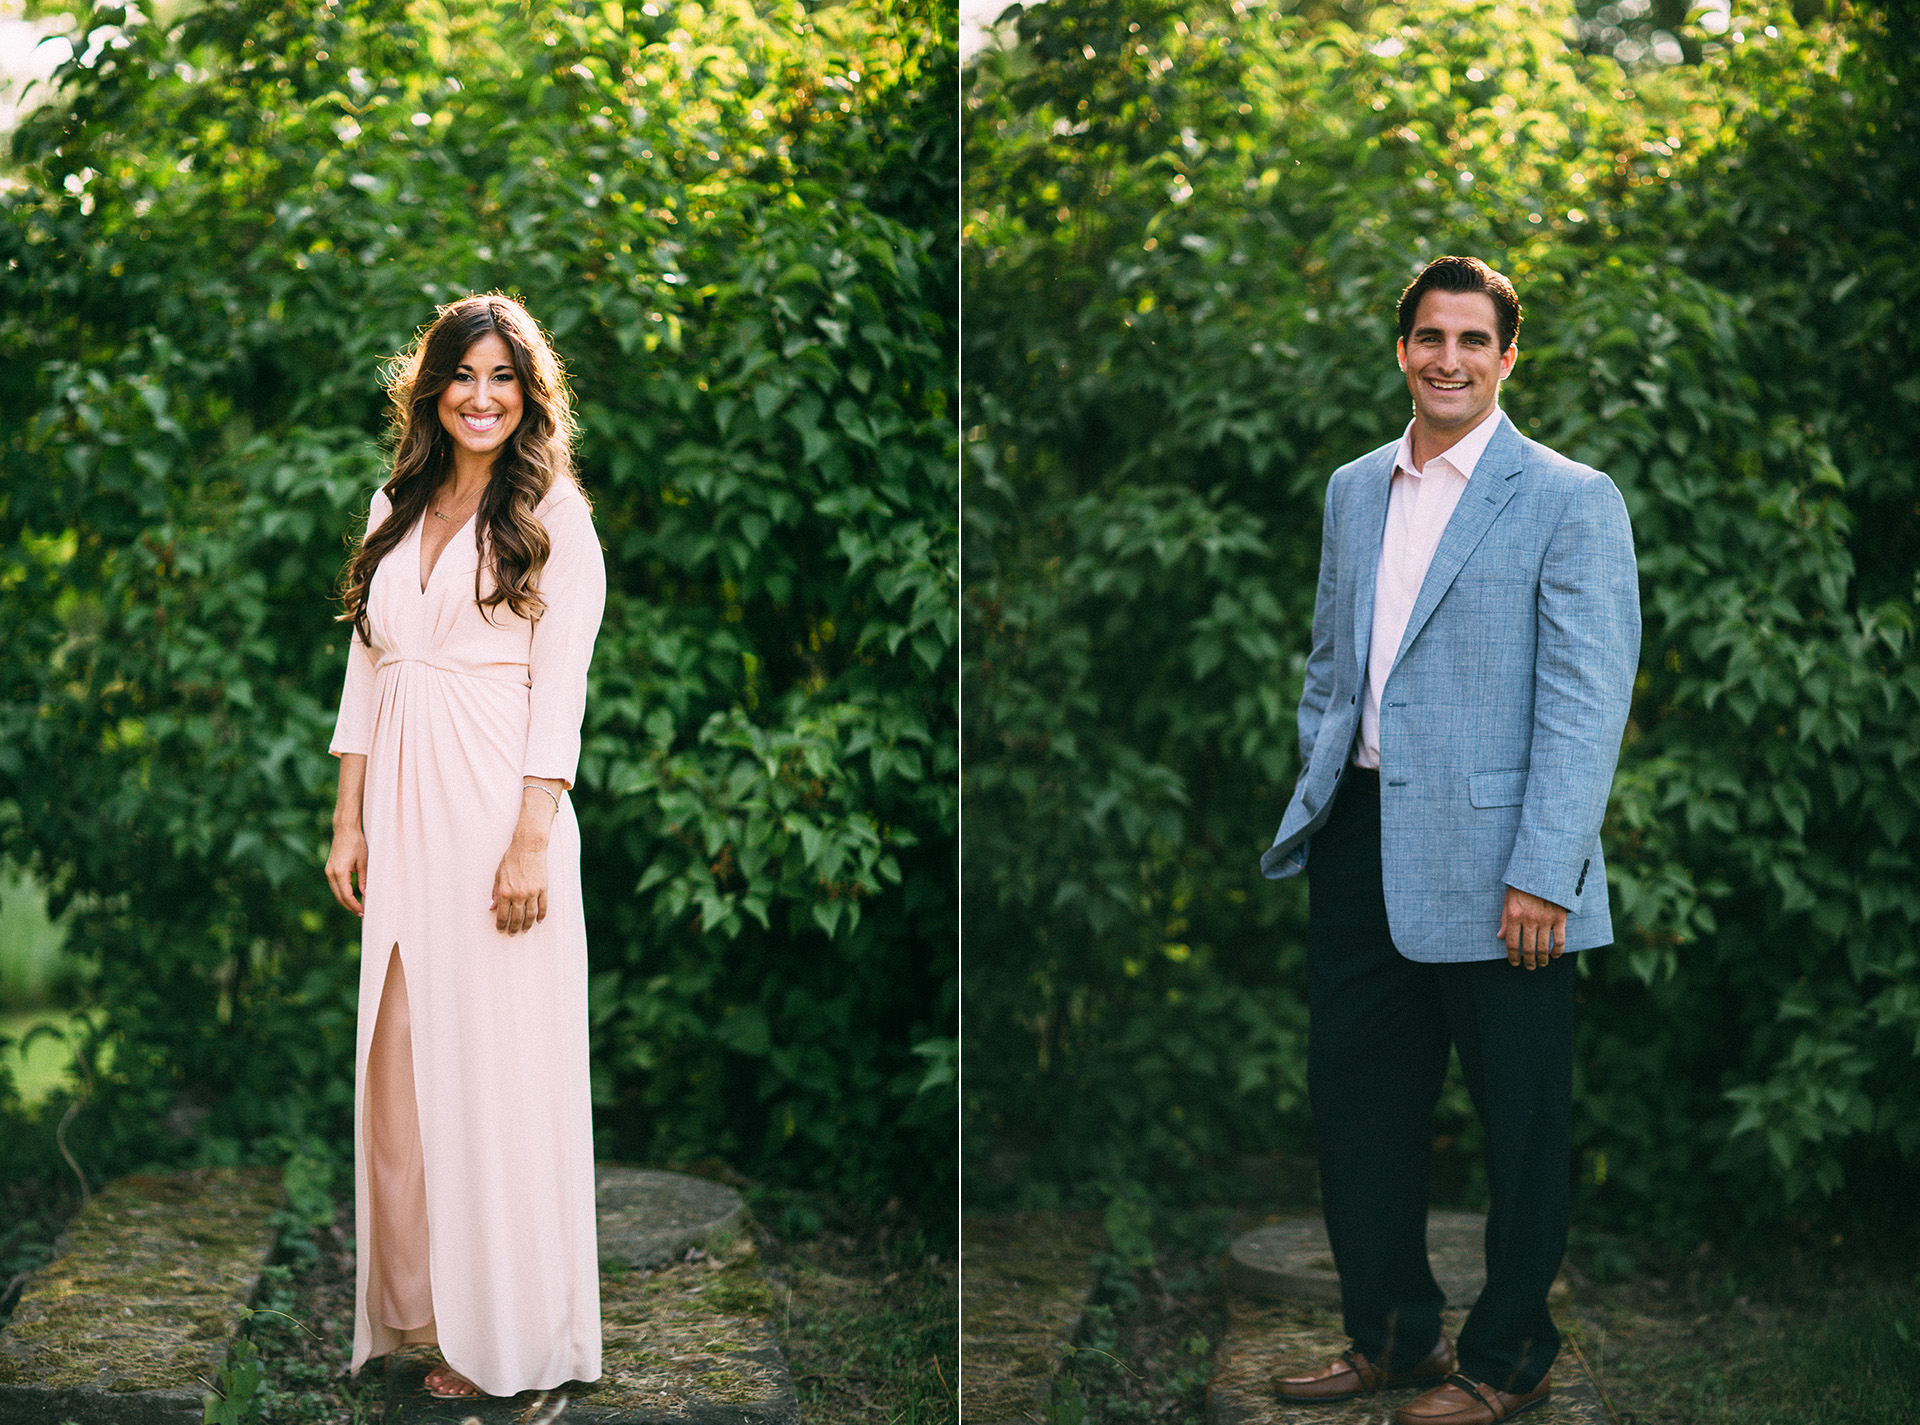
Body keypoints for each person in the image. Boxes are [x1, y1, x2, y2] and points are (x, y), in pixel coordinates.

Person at [1259, 256, 1640, 1425]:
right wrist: (1320, 791)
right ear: (1401, 348)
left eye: (1475, 341)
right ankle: (1391, 1335)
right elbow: (1336, 665)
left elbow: (1587, 695)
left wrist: (1547, 869)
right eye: (1431, 337)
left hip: (1505, 866)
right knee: (1359, 1103)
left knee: (1521, 1116)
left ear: (1508, 357)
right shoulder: (1352, 489)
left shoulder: (1570, 497)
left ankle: (1508, 1357)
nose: (1449, 360)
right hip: (1360, 839)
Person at [324, 293, 607, 1400]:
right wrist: (347, 818)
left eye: (504, 378)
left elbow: (562, 689)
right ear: (433, 387)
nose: (483, 397)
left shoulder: (554, 514)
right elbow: (367, 667)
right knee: (400, 1064)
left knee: (494, 1072)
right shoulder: (394, 500)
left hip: (499, 812)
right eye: (464, 375)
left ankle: (509, 1338)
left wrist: (531, 839)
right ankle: (423, 1308)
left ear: (528, 394)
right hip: (397, 808)